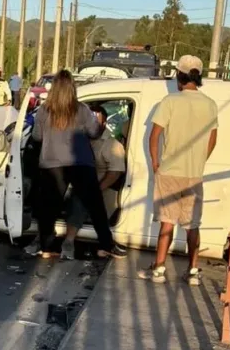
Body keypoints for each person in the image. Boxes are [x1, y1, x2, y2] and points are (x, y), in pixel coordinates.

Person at [139, 55, 218, 286]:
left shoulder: (170, 102)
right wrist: (199, 161)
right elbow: (213, 139)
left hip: (170, 172)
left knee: (167, 221)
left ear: (179, 76)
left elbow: (155, 136)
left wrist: (156, 164)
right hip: (194, 174)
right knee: (192, 225)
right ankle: (193, 271)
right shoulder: (210, 104)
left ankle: (159, 269)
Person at [31, 70, 127, 259]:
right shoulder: (81, 109)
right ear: (72, 88)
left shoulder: (44, 110)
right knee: (95, 204)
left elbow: (37, 136)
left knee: (49, 206)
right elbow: (94, 133)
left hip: (52, 164)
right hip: (80, 162)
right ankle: (107, 244)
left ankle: (47, 247)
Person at [60, 103, 127, 260]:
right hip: (79, 185)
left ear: (104, 124)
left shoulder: (112, 145)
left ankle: (68, 242)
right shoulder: (80, 140)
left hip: (103, 189)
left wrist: (95, 189)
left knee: (83, 197)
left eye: (96, 121)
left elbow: (115, 173)